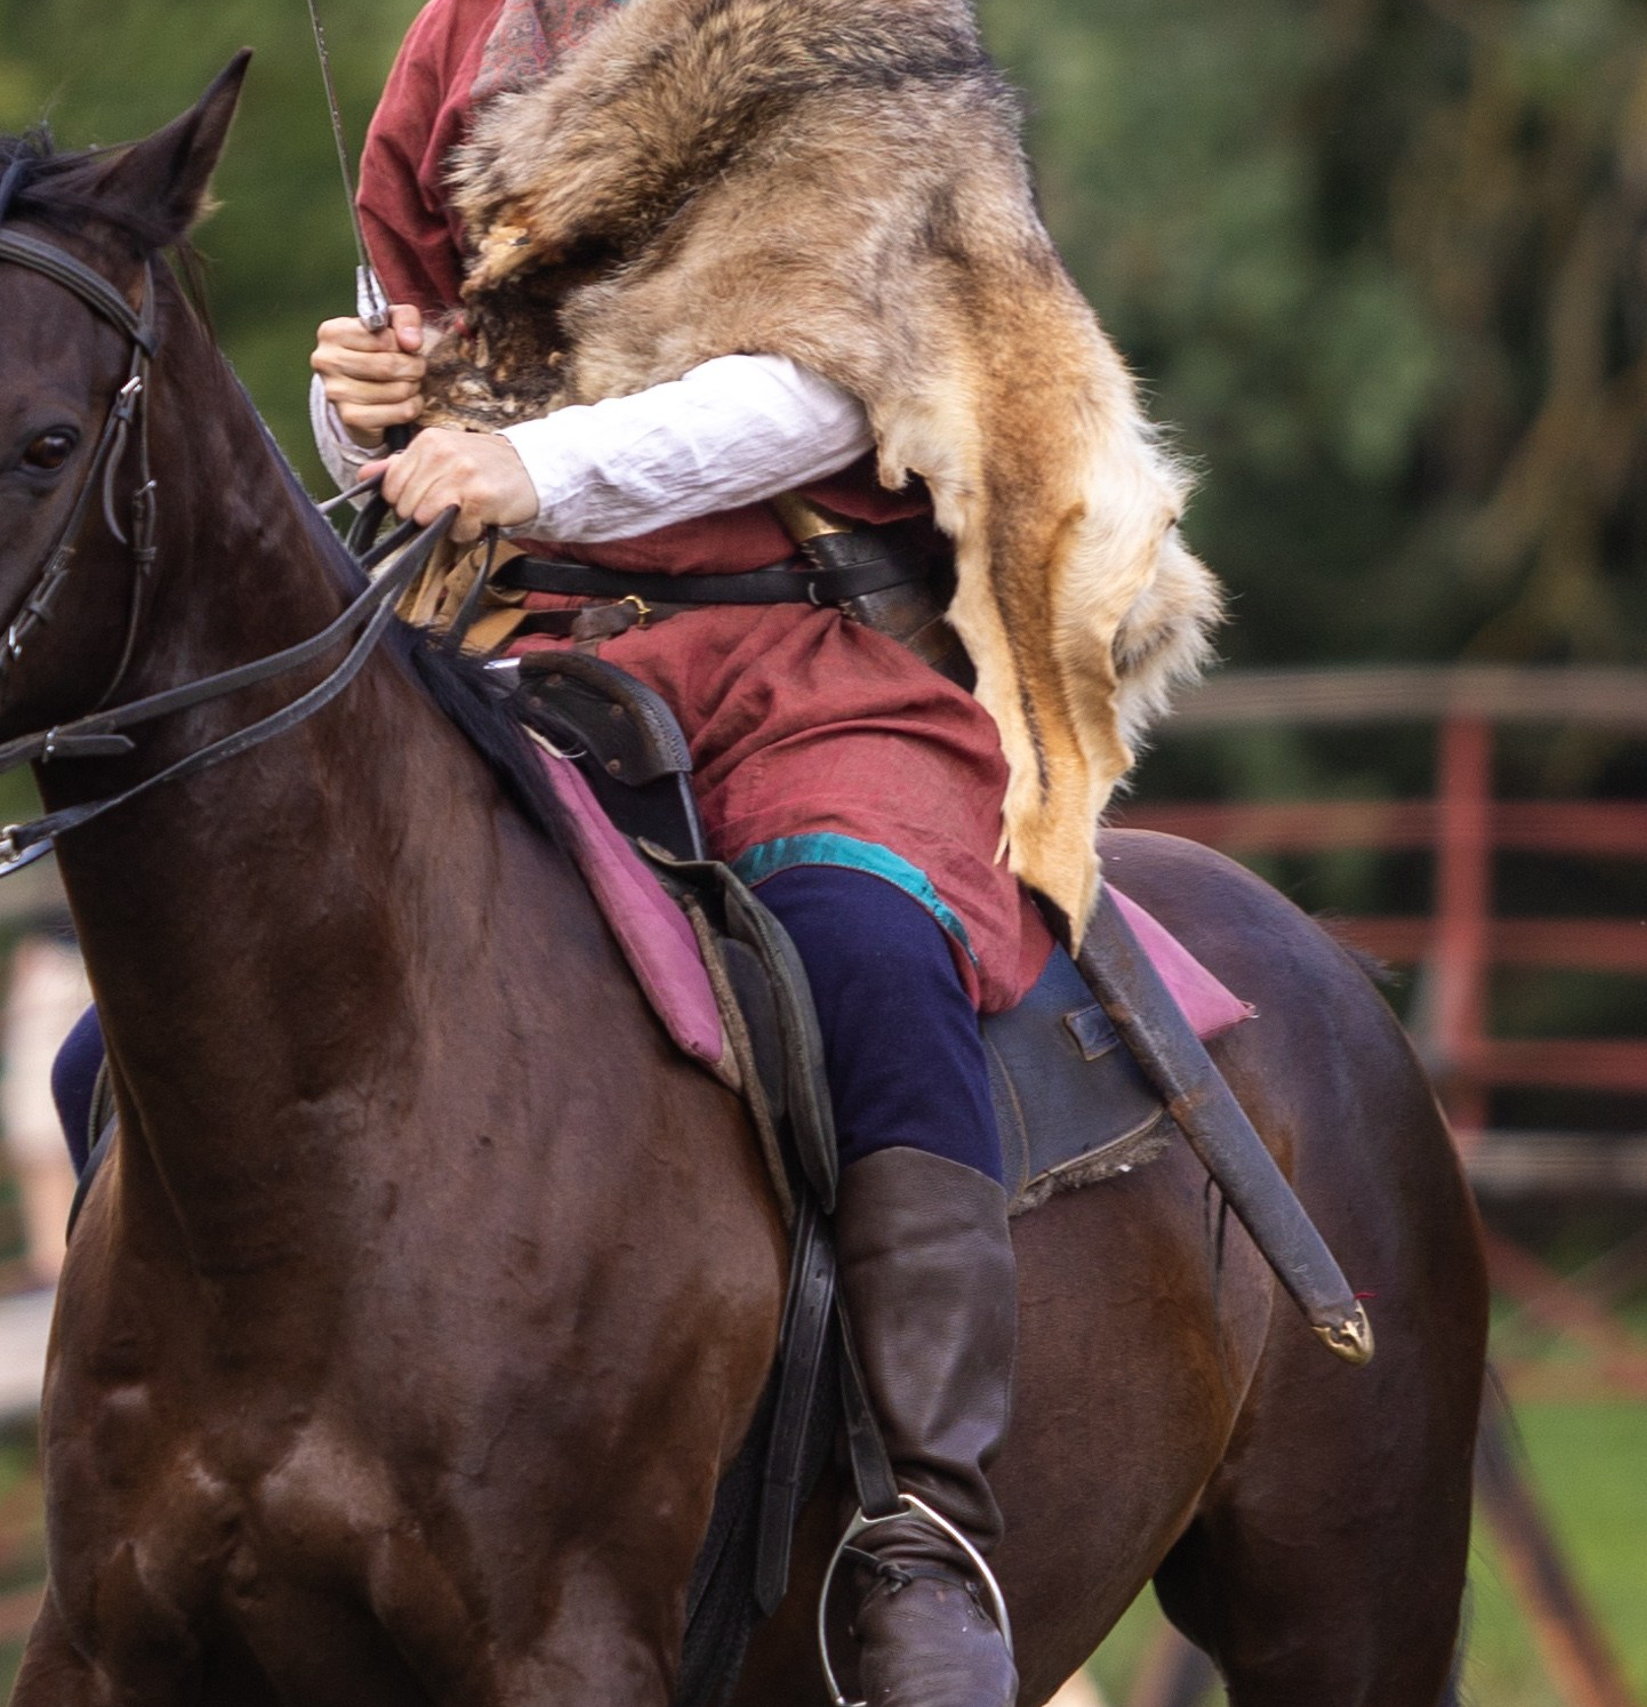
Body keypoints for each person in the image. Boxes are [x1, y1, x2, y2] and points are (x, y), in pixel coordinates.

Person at [303, 4, 1030, 1703]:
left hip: (803, 652)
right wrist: (368, 407)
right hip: (528, 658)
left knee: (864, 954)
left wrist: (527, 463)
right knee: (157, 1026)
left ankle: (927, 1526)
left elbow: (840, 386)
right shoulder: (454, 35)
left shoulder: (857, 30)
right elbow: (411, 379)